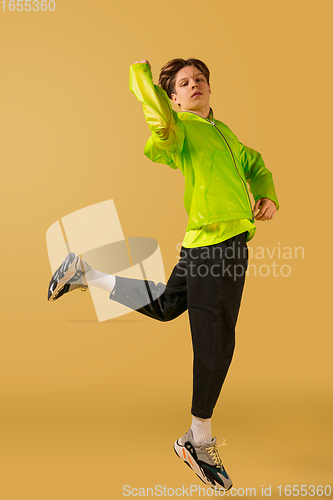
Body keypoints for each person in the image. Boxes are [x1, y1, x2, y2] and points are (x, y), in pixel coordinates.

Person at [47, 58, 279, 491]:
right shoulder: (181, 129)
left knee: (166, 304)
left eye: (200, 80)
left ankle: (83, 272)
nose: (195, 86)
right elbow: (163, 133)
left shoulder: (223, 132)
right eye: (185, 83)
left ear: (210, 88)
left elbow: (256, 163)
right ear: (172, 98)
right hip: (217, 245)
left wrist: (266, 194)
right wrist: (144, 83)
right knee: (217, 340)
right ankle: (197, 440)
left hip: (206, 244)